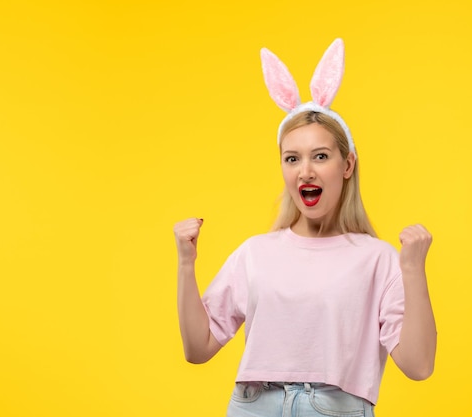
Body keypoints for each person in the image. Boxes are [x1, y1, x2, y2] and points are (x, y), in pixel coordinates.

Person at [173, 39, 436, 417]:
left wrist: (413, 270)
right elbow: (198, 349)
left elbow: (419, 366)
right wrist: (186, 264)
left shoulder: (378, 258)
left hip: (335, 407)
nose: (305, 171)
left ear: (347, 166)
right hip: (252, 406)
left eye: (321, 156)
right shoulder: (255, 252)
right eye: (292, 158)